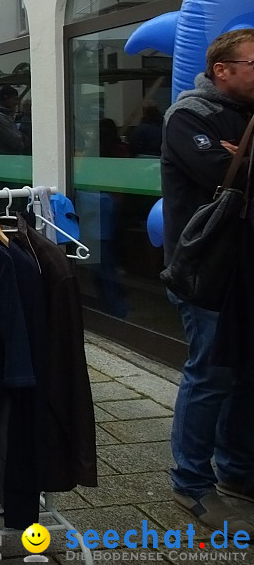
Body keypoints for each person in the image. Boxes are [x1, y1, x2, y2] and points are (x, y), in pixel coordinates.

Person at [161, 29, 254, 534]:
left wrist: (242, 154)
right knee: (211, 372)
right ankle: (190, 483)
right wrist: (236, 161)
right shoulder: (190, 115)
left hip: (244, 267)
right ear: (224, 69)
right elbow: (230, 178)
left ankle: (238, 473)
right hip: (205, 271)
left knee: (243, 371)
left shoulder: (242, 119)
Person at [0, 85, 26, 155]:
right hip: (4, 160)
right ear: (6, 98)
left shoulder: (4, 116)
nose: (16, 102)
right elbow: (16, 141)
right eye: (14, 99)